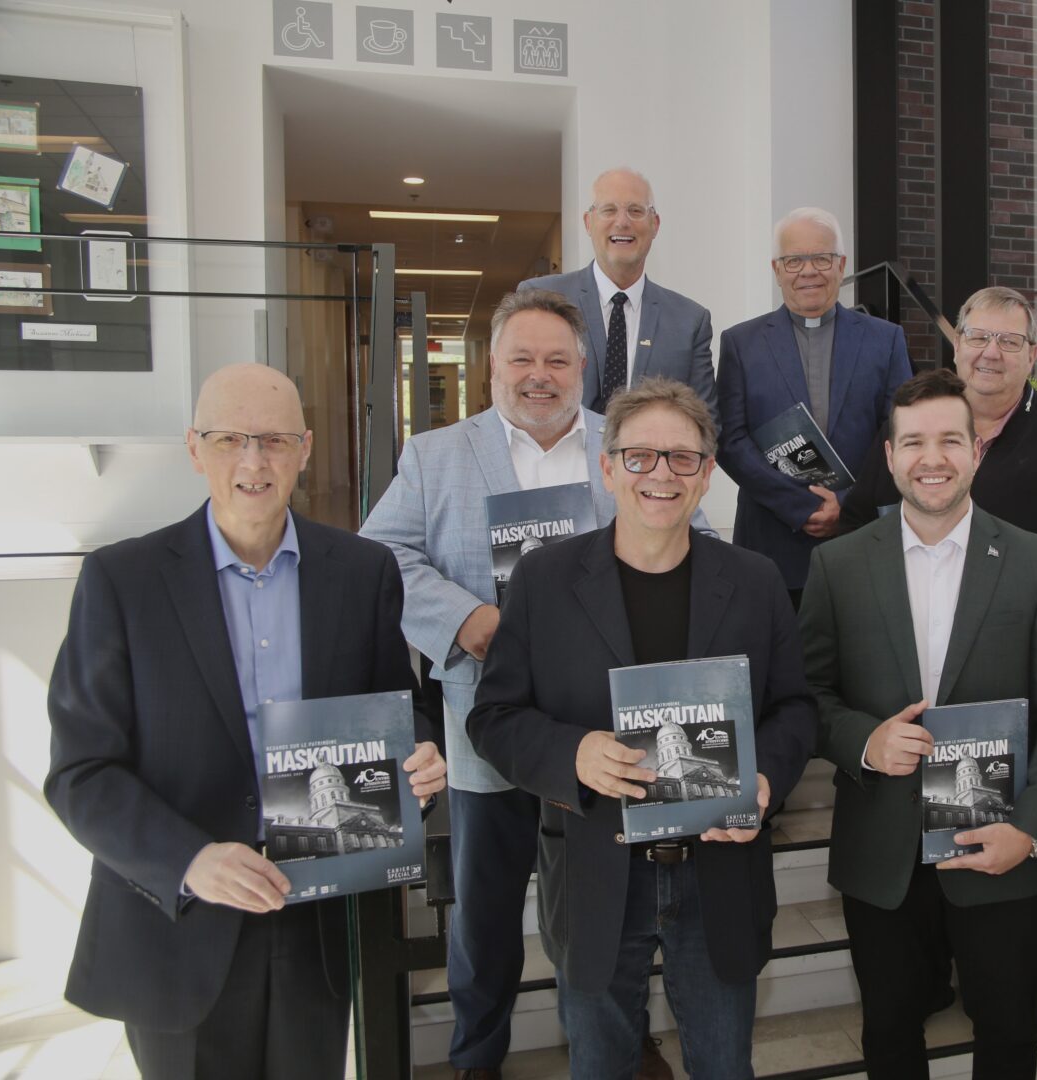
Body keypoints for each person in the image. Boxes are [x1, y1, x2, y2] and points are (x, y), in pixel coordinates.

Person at [45, 364, 446, 1080]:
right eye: (230, 439)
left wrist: (420, 754)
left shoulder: (362, 572)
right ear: (195, 449)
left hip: (316, 912)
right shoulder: (122, 581)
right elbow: (82, 773)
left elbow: (399, 705)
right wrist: (191, 862)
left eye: (274, 440)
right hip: (181, 923)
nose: (254, 462)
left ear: (306, 448)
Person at [360, 289, 712, 1080]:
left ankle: (612, 1043)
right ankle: (476, 1059)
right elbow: (379, 558)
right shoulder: (435, 456)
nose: (539, 375)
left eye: (557, 360)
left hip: (605, 740)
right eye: (521, 358)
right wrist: (468, 623)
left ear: (584, 367)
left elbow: (696, 537)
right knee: (483, 924)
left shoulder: (622, 446)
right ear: (493, 365)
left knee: (604, 917)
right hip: (488, 733)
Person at [467, 378, 817, 1079]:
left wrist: (767, 779)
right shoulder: (541, 581)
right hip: (597, 870)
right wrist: (572, 753)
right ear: (607, 466)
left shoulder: (753, 580)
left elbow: (797, 708)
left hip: (719, 870)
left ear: (707, 472)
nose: (662, 474)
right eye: (640, 457)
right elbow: (494, 719)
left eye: (683, 458)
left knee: (725, 1067)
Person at [798, 369, 1037, 1078]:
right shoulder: (837, 566)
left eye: (950, 440)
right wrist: (863, 741)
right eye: (915, 442)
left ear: (976, 452)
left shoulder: (1034, 562)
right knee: (892, 1038)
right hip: (883, 856)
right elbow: (806, 695)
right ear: (892, 456)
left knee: (1010, 1034)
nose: (933, 458)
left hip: (1001, 846)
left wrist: (1030, 829)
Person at [839, 285, 1037, 619]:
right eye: (978, 337)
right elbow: (857, 523)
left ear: (1032, 356)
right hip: (905, 631)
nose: (991, 352)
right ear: (958, 345)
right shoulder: (908, 426)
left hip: (1017, 644)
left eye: (1009, 341)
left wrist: (1032, 621)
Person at [717, 206, 913, 605]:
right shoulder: (741, 343)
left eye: (821, 258)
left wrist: (846, 505)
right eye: (794, 260)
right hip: (771, 544)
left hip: (860, 540)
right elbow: (729, 441)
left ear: (841, 266)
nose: (808, 271)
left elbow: (900, 432)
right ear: (776, 269)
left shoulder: (886, 340)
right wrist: (800, 506)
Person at [520, 166, 716, 422]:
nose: (622, 222)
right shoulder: (540, 299)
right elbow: (518, 398)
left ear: (654, 225)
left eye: (636, 211)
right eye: (609, 210)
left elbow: (705, 423)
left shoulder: (689, 321)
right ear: (588, 223)